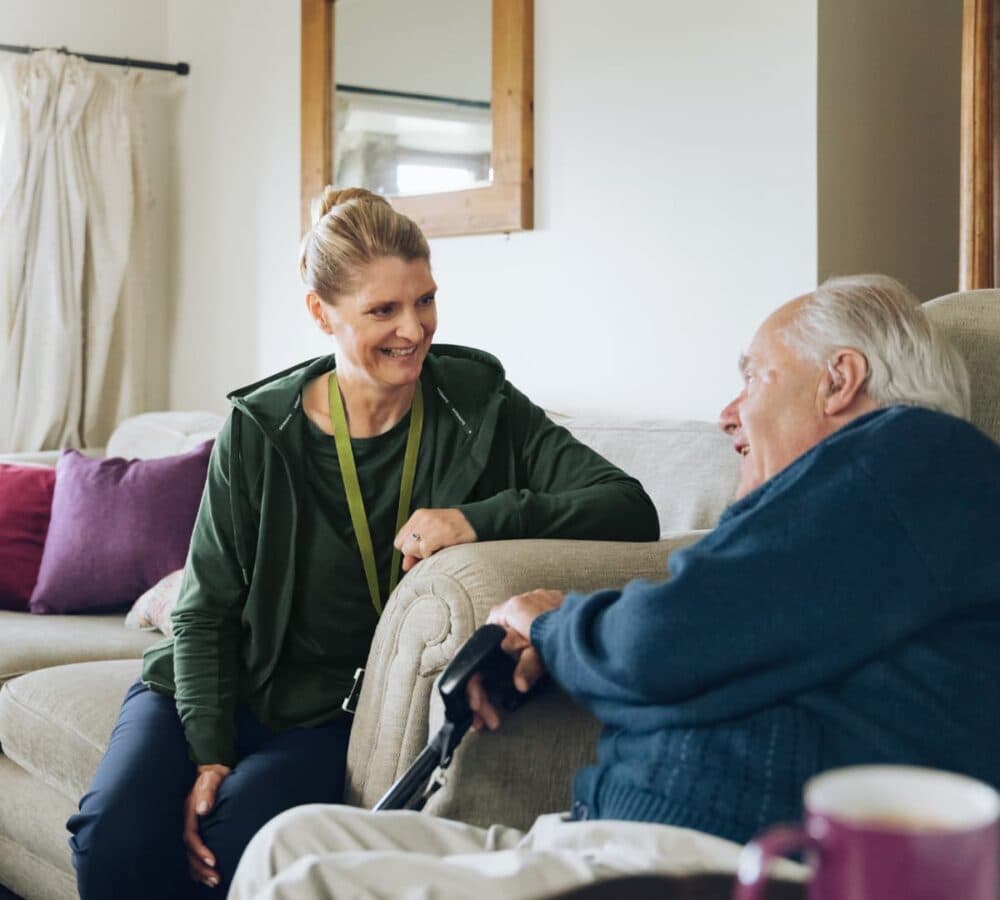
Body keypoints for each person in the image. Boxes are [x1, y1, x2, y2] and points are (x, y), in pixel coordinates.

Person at [228, 274, 1000, 900]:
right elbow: (706, 628)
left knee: (310, 884)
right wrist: (569, 640)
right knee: (290, 839)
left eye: (754, 377)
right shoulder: (839, 521)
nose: (729, 416)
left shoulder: (913, 459)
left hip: (698, 858)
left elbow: (667, 639)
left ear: (841, 379)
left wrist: (554, 625)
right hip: (601, 833)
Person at [66, 187, 660, 899]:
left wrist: (475, 521)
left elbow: (627, 506)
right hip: (213, 685)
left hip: (330, 714)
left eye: (425, 300)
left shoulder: (480, 403)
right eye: (383, 310)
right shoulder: (260, 429)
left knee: (231, 845)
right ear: (322, 313)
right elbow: (205, 608)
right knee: (113, 842)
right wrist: (208, 753)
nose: (414, 330)